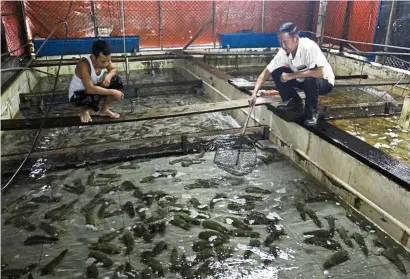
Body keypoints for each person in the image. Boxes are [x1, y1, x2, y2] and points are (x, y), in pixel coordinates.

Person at [249, 22, 334, 126]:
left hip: (324, 82)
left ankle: (311, 113)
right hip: (303, 80)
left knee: (310, 79)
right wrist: (254, 94)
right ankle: (295, 102)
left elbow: (320, 73)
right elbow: (265, 73)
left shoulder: (309, 47)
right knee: (276, 71)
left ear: (296, 39)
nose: (283, 46)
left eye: (285, 42)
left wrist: (291, 76)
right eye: (280, 42)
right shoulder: (283, 52)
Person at [68, 40, 125, 123]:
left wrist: (108, 77)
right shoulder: (84, 64)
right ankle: (84, 111)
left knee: (116, 81)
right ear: (94, 57)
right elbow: (90, 89)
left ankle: (104, 110)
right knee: (94, 93)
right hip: (78, 95)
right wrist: (112, 92)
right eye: (102, 61)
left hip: (94, 89)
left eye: (108, 60)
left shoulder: (105, 59)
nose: (106, 64)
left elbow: (113, 68)